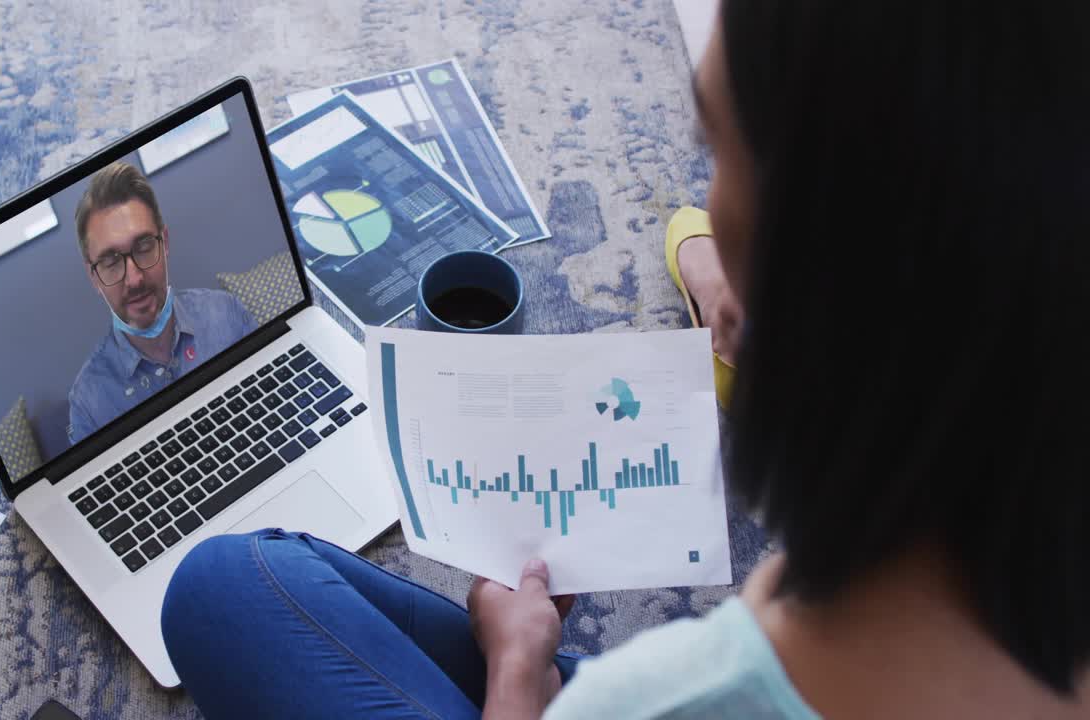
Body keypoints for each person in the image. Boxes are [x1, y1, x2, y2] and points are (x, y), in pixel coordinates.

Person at [159, 2, 1090, 717]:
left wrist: (521, 677)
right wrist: (724, 274)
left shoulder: (661, 696)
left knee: (220, 589)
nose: (707, 194)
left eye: (715, 149)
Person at [67, 161, 256, 445]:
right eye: (110, 262)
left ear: (164, 242)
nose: (134, 279)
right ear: (94, 276)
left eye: (143, 248)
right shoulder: (89, 403)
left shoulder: (226, 314)